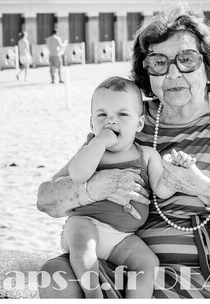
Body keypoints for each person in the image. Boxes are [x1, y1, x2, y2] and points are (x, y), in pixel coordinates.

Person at [37, 4, 210, 299]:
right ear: (147, 73)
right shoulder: (128, 119)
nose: (173, 73)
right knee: (56, 276)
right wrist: (93, 188)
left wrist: (203, 188)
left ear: (208, 65)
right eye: (158, 62)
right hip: (127, 272)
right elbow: (47, 200)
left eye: (187, 59)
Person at [61, 76, 195, 298]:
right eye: (102, 115)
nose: (111, 122)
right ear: (91, 123)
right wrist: (99, 142)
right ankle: (94, 296)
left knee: (148, 262)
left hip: (121, 236)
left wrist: (175, 173)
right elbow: (77, 175)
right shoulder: (92, 150)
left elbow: (161, 190)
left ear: (139, 123)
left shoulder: (147, 155)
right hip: (85, 224)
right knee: (83, 247)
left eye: (122, 114)